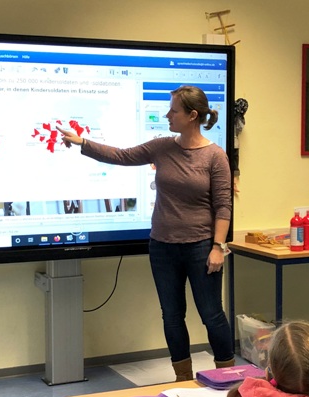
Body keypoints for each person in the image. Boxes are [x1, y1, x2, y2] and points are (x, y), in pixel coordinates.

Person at [58, 85, 234, 380]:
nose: (167, 115)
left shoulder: (215, 156)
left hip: (202, 248)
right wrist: (82, 142)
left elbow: (223, 206)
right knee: (172, 316)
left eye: (173, 110)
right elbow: (121, 156)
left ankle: (228, 378)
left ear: (192, 115)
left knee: (211, 314)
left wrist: (218, 247)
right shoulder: (162, 147)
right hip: (162, 247)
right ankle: (183, 379)